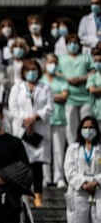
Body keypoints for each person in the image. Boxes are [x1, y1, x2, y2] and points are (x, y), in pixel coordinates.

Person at [8, 59, 53, 207]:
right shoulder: (17, 88)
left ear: (39, 71)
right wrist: (26, 121)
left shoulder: (45, 88)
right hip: (22, 129)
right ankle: (25, 194)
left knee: (37, 165)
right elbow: (13, 108)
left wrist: (34, 118)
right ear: (23, 72)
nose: (31, 73)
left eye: (34, 70)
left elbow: (49, 107)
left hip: (39, 129)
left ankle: (38, 195)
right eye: (28, 70)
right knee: (23, 164)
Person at [64, 116, 101, 223]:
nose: (88, 131)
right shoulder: (73, 148)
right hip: (79, 193)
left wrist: (96, 181)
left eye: (91, 128)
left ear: (96, 130)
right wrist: (84, 183)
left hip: (98, 192)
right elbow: (69, 170)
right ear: (80, 130)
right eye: (85, 128)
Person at [58, 34, 94, 145]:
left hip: (85, 96)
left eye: (75, 43)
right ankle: (73, 149)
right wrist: (68, 79)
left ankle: (88, 147)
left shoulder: (86, 57)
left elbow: (93, 70)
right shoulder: (61, 58)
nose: (73, 45)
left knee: (87, 125)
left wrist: (83, 78)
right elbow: (56, 72)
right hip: (69, 97)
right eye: (70, 43)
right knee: (70, 126)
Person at [40, 53, 69, 188]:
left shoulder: (62, 80)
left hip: (59, 119)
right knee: (45, 149)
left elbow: (64, 97)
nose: (53, 65)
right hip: (44, 120)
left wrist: (49, 96)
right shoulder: (40, 80)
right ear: (45, 64)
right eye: (50, 62)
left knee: (59, 150)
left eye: (55, 63)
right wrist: (55, 96)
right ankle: (45, 178)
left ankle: (59, 177)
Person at [88, 49, 101, 128]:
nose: (98, 64)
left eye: (100, 61)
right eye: (96, 61)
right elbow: (92, 90)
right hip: (97, 112)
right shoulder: (93, 76)